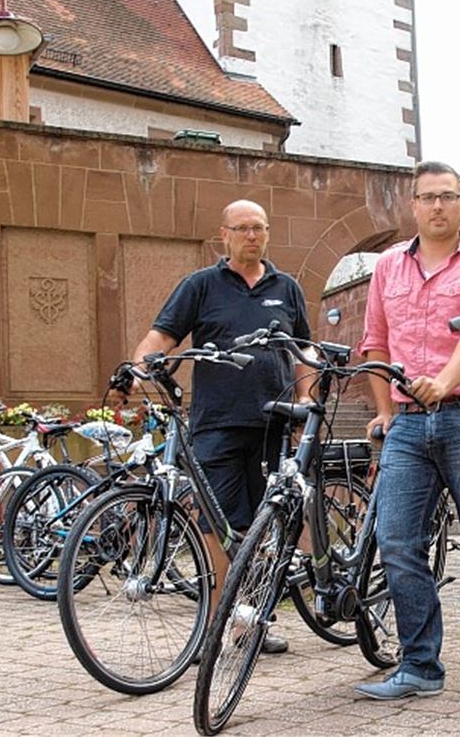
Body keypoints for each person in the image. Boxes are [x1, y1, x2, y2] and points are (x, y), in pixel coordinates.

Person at [355, 161, 460, 705]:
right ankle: (420, 664)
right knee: (396, 541)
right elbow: (374, 343)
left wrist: (443, 383)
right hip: (407, 424)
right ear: (413, 205)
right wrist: (386, 411)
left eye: (447, 196)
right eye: (427, 197)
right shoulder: (387, 268)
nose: (437, 206)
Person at [126, 199, 313, 655]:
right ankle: (213, 625)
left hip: (273, 423)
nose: (252, 236)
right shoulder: (201, 286)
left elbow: (303, 350)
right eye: (242, 228)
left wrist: (306, 398)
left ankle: (253, 622)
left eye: (259, 228)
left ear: (267, 233)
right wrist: (139, 365)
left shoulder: (285, 288)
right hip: (217, 424)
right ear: (223, 235)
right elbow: (162, 336)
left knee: (262, 527)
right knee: (216, 527)